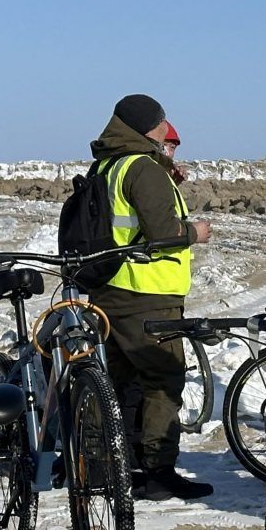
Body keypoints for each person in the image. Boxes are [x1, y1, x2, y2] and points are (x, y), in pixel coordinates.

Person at [86, 94, 214, 501]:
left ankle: (105, 466)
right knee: (162, 380)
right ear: (147, 127)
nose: (166, 127)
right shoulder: (142, 167)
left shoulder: (108, 164)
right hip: (148, 293)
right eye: (162, 121)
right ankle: (158, 471)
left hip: (111, 291)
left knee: (118, 382)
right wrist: (195, 233)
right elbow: (162, 234)